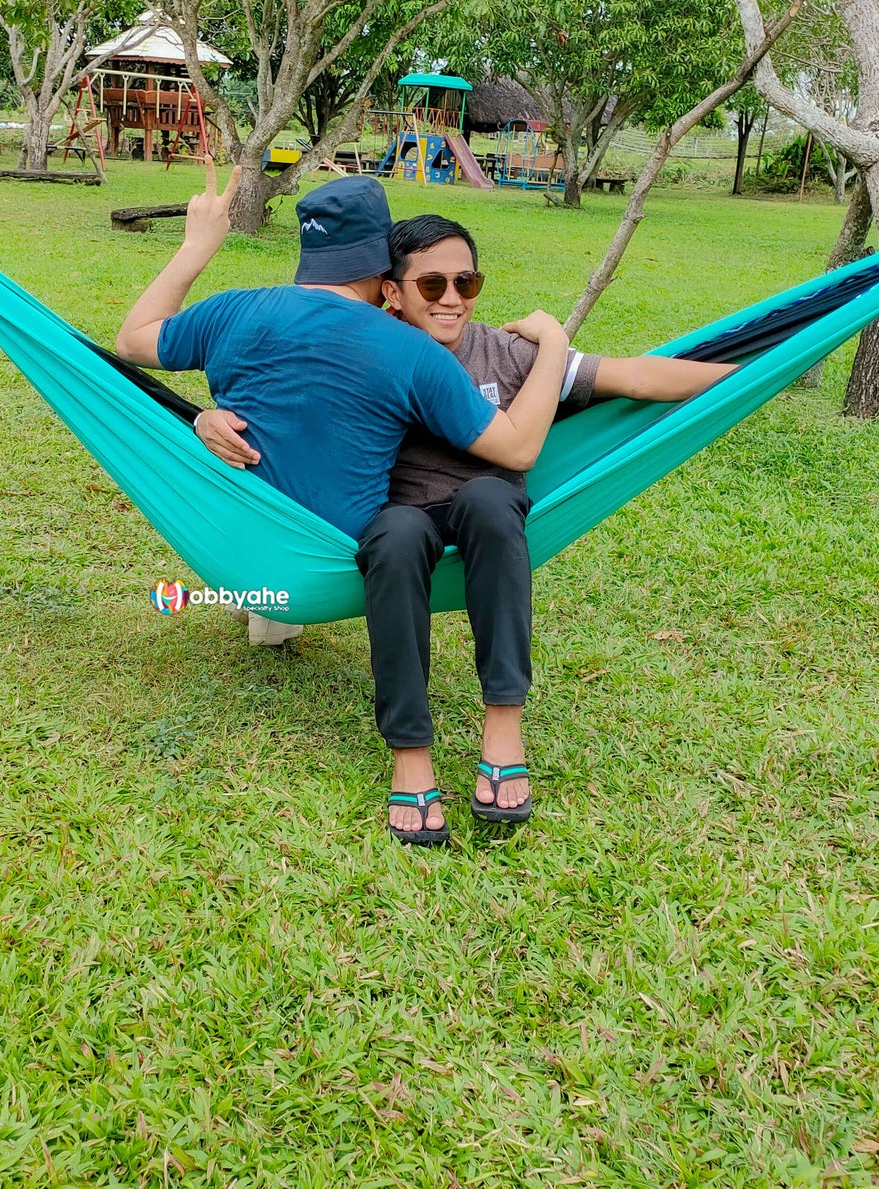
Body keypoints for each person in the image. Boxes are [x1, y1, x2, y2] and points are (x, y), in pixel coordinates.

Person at [196, 212, 736, 840]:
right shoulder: (365, 349)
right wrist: (208, 419)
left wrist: (756, 378)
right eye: (431, 285)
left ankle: (504, 725)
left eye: (466, 282)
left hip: (485, 514)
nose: (451, 299)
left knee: (488, 498)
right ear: (391, 293)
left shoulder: (507, 353)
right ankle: (410, 752)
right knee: (395, 538)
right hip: (396, 519)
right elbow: (283, 406)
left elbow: (639, 375)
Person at [114, 165, 571, 845]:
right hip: (348, 547)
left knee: (453, 511)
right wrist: (554, 343)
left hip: (253, 546)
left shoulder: (233, 310)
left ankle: (398, 744)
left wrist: (197, 246)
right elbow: (517, 447)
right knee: (456, 507)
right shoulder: (408, 350)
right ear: (380, 264)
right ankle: (493, 728)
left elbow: (129, 342)